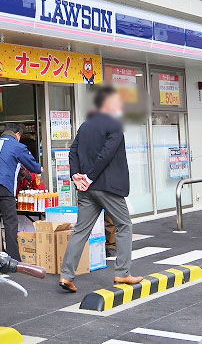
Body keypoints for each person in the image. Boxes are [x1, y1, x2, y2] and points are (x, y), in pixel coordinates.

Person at [58, 85, 142, 292]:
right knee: (124, 225)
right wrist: (88, 177)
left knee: (80, 231)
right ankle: (122, 273)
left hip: (87, 190)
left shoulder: (85, 126)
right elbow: (107, 154)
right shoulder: (114, 125)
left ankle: (66, 275)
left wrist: (76, 176)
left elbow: (73, 152)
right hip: (107, 187)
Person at [0, 122, 42, 260]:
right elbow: (35, 167)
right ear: (18, 134)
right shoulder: (18, 146)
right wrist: (40, 168)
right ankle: (12, 259)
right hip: (3, 185)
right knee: (10, 221)